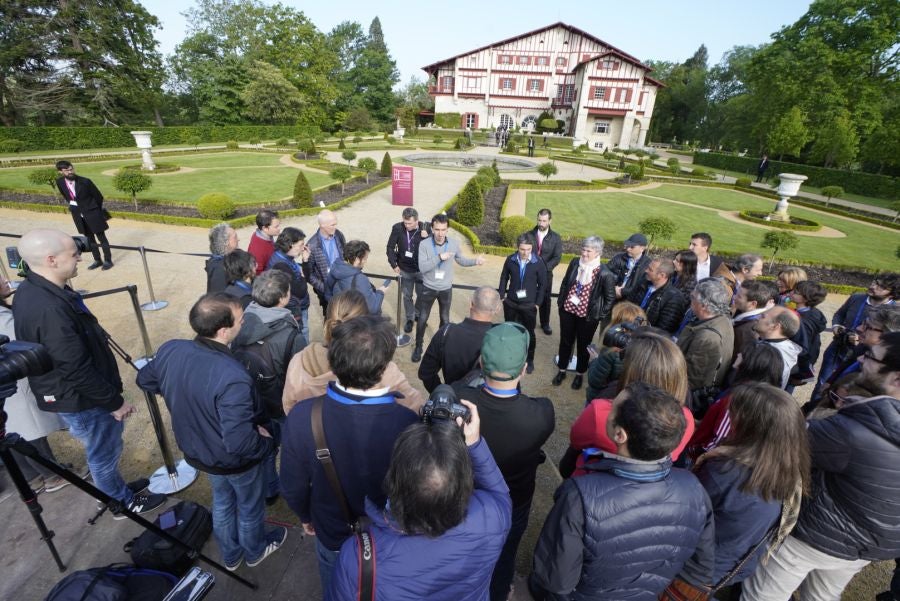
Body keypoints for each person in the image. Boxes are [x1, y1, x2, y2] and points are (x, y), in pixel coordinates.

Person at [14, 229, 165, 517]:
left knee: (104, 451)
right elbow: (75, 368)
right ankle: (121, 503)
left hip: (76, 393)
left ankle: (117, 490)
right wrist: (114, 403)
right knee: (103, 454)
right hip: (82, 399)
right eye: (73, 254)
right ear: (51, 260)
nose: (80, 259)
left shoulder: (36, 289)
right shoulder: (49, 308)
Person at [742, 331, 900, 600]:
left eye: (872, 357)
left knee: (763, 594)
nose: (861, 359)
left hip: (816, 537)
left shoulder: (853, 431)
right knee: (822, 595)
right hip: (871, 544)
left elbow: (785, 443)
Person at [137, 293, 286, 570]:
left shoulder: (172, 349)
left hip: (200, 452)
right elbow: (241, 443)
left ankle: (230, 555)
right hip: (234, 460)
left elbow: (145, 378)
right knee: (250, 507)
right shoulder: (232, 376)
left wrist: (184, 397)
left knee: (222, 502)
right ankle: (254, 551)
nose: (244, 323)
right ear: (223, 330)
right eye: (241, 320)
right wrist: (268, 444)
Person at [530, 382, 714, 600]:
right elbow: (700, 567)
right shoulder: (696, 490)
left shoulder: (579, 497)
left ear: (619, 434)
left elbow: (556, 580)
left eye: (612, 408)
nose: (607, 409)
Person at [281, 315, 420, 591]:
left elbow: (293, 486)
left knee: (335, 588)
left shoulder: (301, 416)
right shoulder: (408, 423)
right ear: (384, 367)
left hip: (332, 530)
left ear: (333, 362)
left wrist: (306, 517)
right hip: (387, 538)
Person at [327, 405, 512, 601]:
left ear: (394, 482)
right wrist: (474, 444)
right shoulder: (492, 520)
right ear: (464, 484)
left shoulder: (357, 558)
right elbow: (500, 494)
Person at [669, 382, 810, 596]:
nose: (731, 418)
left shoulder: (725, 472)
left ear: (752, 426)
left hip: (694, 568)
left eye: (735, 414)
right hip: (734, 565)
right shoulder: (789, 469)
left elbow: (684, 516)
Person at [452, 322, 555, 601]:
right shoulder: (542, 413)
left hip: (466, 495)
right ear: (523, 369)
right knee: (506, 551)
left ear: (482, 362)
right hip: (513, 501)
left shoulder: (458, 399)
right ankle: (498, 591)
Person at [568, 330, 695, 478]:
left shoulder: (602, 412)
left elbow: (576, 440)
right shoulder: (686, 420)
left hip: (591, 483)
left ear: (632, 372)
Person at [282, 290, 424, 415]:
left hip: (314, 437)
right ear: (365, 325)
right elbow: (415, 407)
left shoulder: (299, 360)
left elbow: (289, 406)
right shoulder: (382, 369)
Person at [0, 274, 69, 494]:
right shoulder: (2, 317)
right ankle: (52, 475)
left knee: (11, 430)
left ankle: (32, 477)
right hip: (14, 382)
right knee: (31, 431)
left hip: (8, 384)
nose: (5, 281)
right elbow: (20, 341)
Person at [687, 343, 785, 462]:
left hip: (704, 460)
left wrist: (695, 453)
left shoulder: (737, 401)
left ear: (750, 364)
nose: (738, 354)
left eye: (743, 354)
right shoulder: (768, 399)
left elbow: (719, 441)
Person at [412, 213, 485, 363]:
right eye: (437, 229)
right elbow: (422, 267)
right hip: (428, 287)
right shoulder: (424, 244)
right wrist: (439, 257)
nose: (440, 233)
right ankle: (418, 346)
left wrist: (475, 261)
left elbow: (461, 260)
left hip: (446, 288)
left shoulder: (453, 243)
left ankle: (441, 347)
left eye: (443, 230)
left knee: (445, 319)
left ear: (447, 229)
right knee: (422, 318)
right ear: (432, 228)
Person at [815, 273, 898, 395]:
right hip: (837, 346)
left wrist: (863, 340)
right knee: (822, 383)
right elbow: (840, 314)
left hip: (861, 352)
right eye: (875, 282)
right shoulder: (856, 298)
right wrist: (836, 326)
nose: (873, 286)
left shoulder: (893, 314)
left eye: (881, 286)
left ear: (892, 293)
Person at [552, 236, 616, 391]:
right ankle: (562, 370)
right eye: (583, 249)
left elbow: (610, 298)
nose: (584, 253)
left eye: (589, 250)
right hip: (568, 310)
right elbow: (566, 283)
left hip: (588, 317)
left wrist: (599, 316)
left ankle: (580, 374)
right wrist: (561, 302)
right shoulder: (575, 262)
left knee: (583, 345)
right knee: (566, 341)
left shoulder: (605, 273)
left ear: (598, 253)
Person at [418, 286, 501, 393]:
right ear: (498, 309)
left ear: (471, 304)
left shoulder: (446, 333)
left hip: (453, 400)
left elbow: (426, 373)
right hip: (485, 403)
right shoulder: (501, 340)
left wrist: (446, 395)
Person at [677, 278, 735, 411]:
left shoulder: (708, 337)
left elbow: (694, 378)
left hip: (687, 400)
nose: (690, 299)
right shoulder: (722, 319)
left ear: (704, 306)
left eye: (693, 297)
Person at [498, 233, 547, 373]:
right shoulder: (510, 259)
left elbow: (543, 285)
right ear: (517, 248)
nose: (525, 253)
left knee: (529, 333)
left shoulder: (538, 263)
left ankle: (529, 359)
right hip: (511, 303)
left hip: (528, 305)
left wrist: (537, 304)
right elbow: (503, 277)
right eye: (522, 249)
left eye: (528, 249)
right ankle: (509, 356)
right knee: (509, 330)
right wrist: (502, 296)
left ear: (532, 248)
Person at [55, 160, 113, 270]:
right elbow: (66, 196)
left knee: (102, 238)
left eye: (71, 168)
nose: (70, 171)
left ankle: (108, 260)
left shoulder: (85, 181)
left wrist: (92, 209)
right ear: (60, 172)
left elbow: (98, 197)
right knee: (89, 238)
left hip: (92, 213)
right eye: (66, 170)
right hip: (78, 214)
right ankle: (97, 260)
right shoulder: (60, 182)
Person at [584, 301, 646, 402]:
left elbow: (595, 381)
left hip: (599, 398)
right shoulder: (642, 349)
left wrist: (594, 360)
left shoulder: (610, 352)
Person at [386, 207, 431, 333]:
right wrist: (394, 264)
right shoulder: (397, 228)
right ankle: (410, 319)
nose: (406, 226)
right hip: (404, 269)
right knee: (407, 296)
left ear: (417, 221)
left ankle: (417, 314)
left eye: (409, 223)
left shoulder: (426, 228)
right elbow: (390, 247)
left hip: (422, 270)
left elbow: (435, 246)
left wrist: (428, 237)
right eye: (405, 223)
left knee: (422, 295)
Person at [267, 227, 311, 344]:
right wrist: (302, 276)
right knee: (301, 335)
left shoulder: (285, 257)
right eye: (301, 245)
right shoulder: (281, 265)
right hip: (293, 308)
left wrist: (305, 261)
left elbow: (304, 278)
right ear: (290, 245)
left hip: (297, 305)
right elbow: (300, 290)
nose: (303, 248)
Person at [325, 240, 388, 315]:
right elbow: (373, 308)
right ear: (357, 260)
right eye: (365, 259)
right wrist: (380, 292)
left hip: (340, 317)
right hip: (356, 322)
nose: (365, 262)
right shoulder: (360, 279)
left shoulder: (334, 269)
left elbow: (328, 295)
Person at [626, 258, 686, 334]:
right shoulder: (642, 283)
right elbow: (628, 304)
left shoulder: (674, 298)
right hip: (629, 327)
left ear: (662, 275)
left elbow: (663, 330)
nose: (646, 270)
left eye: (650, 269)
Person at [307, 209, 346, 317]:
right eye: (332, 225)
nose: (335, 227)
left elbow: (345, 255)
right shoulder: (311, 245)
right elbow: (308, 274)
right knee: (330, 317)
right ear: (322, 225)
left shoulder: (338, 235)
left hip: (342, 284)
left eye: (335, 224)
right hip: (326, 290)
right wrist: (324, 287)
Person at [788, 280, 828, 384]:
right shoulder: (815, 312)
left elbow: (802, 348)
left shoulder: (803, 322)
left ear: (806, 298)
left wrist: (802, 375)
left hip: (794, 366)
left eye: (796, 292)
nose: (791, 292)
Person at [531, 209, 562, 335]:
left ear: (550, 221)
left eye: (544, 221)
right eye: (539, 220)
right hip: (531, 272)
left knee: (545, 299)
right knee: (530, 296)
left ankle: (545, 323)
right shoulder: (529, 235)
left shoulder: (556, 238)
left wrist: (544, 269)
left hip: (546, 273)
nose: (541, 223)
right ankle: (530, 321)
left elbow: (557, 257)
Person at [730, 280, 776, 363]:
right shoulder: (751, 319)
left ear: (753, 304)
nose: (734, 297)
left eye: (739, 296)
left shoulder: (751, 329)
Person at [608, 233, 651, 301]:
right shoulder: (618, 258)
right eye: (628, 245)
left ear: (642, 248)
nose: (628, 249)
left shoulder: (648, 265)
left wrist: (622, 292)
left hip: (630, 302)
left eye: (632, 247)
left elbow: (642, 287)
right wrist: (613, 289)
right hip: (611, 295)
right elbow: (607, 274)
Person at [206, 223, 239, 293]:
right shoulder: (219, 269)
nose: (238, 239)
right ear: (226, 242)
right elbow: (219, 300)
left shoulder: (224, 260)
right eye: (235, 237)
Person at [247, 210, 281, 275]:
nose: (279, 228)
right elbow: (257, 274)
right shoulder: (257, 250)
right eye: (276, 227)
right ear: (265, 228)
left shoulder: (264, 234)